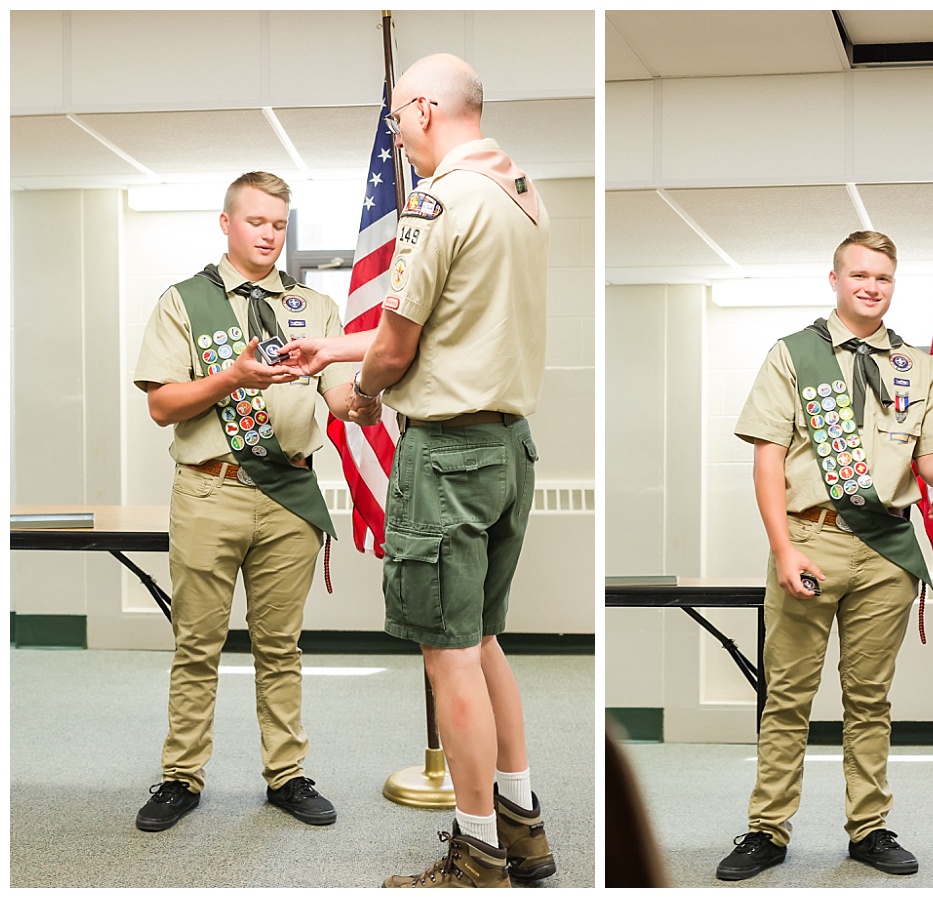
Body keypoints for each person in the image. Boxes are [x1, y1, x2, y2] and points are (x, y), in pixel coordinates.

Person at [279, 54, 555, 889]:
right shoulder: (521, 194)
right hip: (507, 447)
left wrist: (359, 391)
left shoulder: (438, 202)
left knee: (449, 656)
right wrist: (332, 346)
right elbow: (447, 322)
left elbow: (400, 347)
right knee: (484, 641)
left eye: (397, 116)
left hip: (449, 456)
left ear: (427, 110)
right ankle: (523, 829)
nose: (396, 133)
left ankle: (476, 856)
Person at [717, 230, 933, 882]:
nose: (871, 286)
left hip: (886, 552)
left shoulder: (919, 367)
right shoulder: (794, 355)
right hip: (810, 541)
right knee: (787, 697)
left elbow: (932, 463)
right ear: (834, 280)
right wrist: (782, 548)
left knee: (870, 701)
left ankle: (869, 829)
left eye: (882, 277)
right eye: (859, 275)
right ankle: (766, 830)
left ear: (893, 285)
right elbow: (768, 459)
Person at [132, 171, 370, 832]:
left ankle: (286, 776)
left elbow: (339, 399)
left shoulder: (314, 307)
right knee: (197, 646)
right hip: (211, 490)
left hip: (289, 495)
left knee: (280, 648)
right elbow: (162, 405)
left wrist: (368, 396)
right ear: (226, 223)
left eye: (279, 225)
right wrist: (233, 375)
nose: (269, 235)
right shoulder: (185, 301)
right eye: (256, 221)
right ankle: (181, 777)